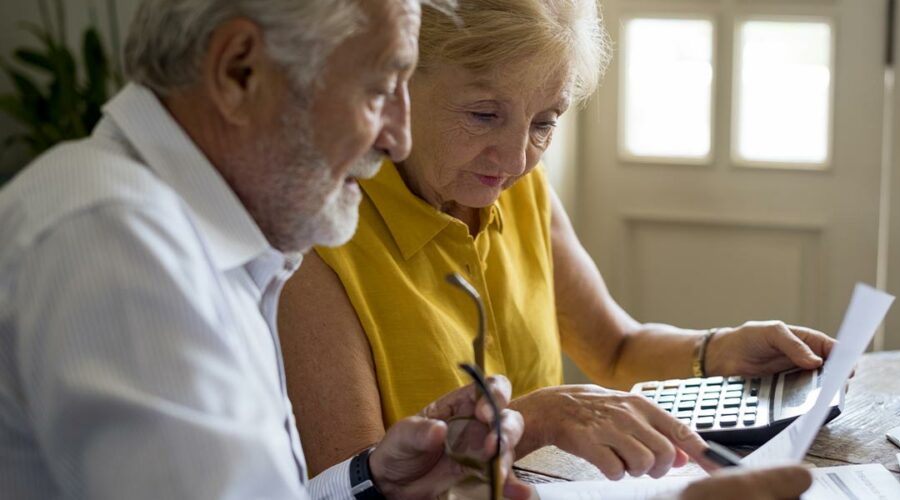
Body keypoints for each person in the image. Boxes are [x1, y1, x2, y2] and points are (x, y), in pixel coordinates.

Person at [278, 0, 829, 497]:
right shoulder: (321, 233)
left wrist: (717, 350)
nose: (517, 159)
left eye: (545, 123)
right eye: (484, 115)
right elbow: (357, 484)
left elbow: (615, 348)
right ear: (398, 82)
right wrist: (534, 418)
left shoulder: (517, 189)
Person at [0, 1, 532, 499]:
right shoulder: (118, 241)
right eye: (378, 91)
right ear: (240, 72)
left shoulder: (199, 238)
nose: (398, 139)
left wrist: (374, 485)